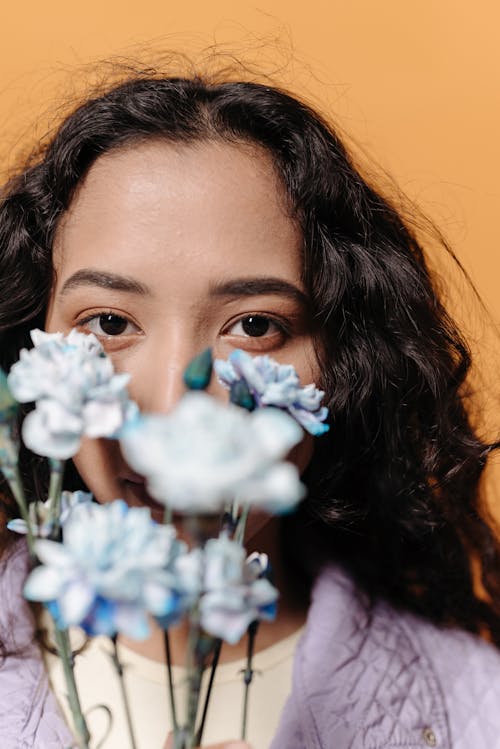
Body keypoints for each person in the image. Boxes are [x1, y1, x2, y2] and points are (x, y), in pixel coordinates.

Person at [1, 71, 500, 749]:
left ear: (347, 362)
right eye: (111, 321)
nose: (175, 405)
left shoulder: (482, 708)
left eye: (256, 325)